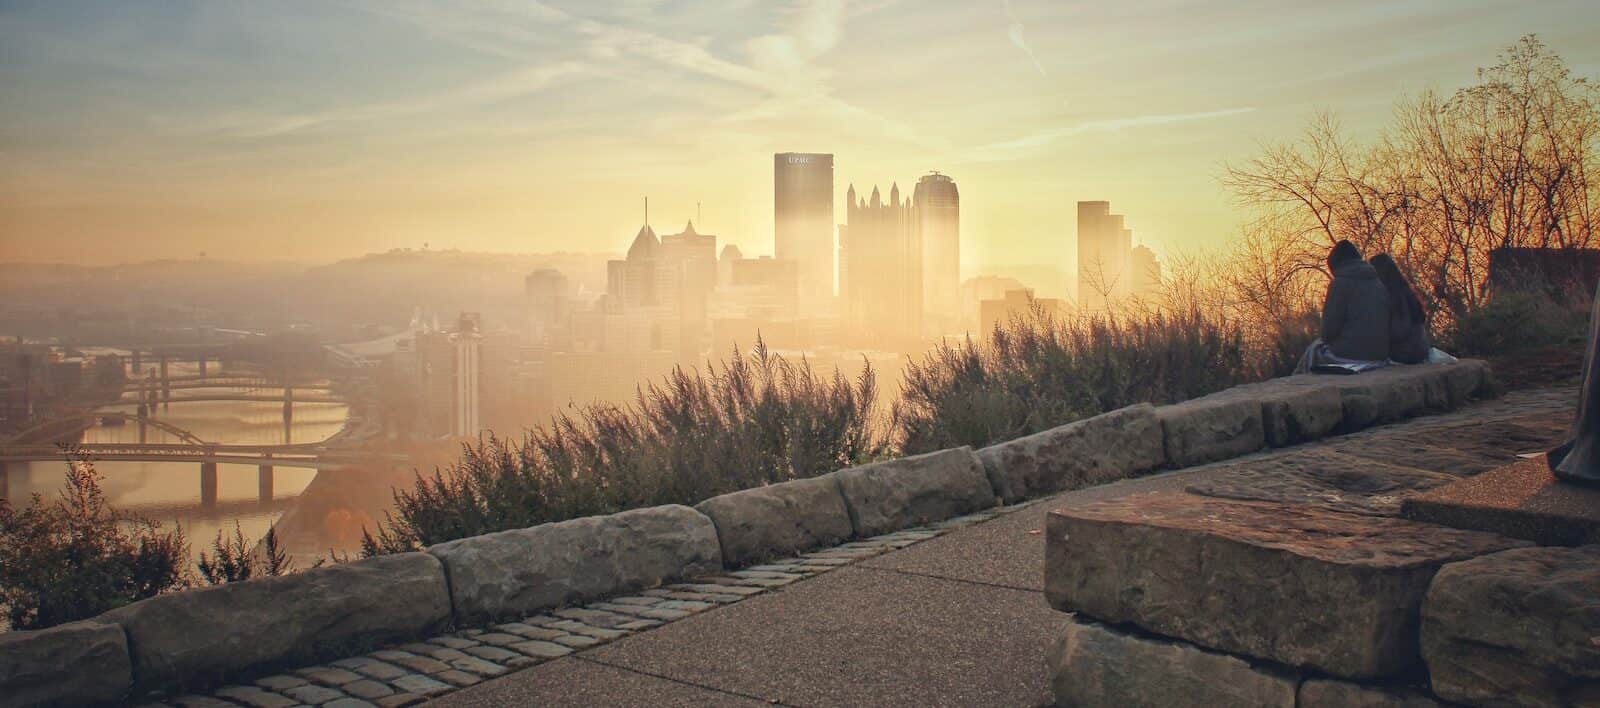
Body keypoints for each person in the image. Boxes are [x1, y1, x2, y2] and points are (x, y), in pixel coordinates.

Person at [1296, 240, 1390, 374]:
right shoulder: (1378, 282)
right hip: (1379, 354)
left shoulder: (1339, 284)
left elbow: (1328, 332)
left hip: (1351, 354)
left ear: (1337, 266)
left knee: (1313, 350)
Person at [1369, 254, 1430, 364]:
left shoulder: (1391, 296)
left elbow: (1400, 331)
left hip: (1404, 354)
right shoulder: (1407, 292)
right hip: (1421, 349)